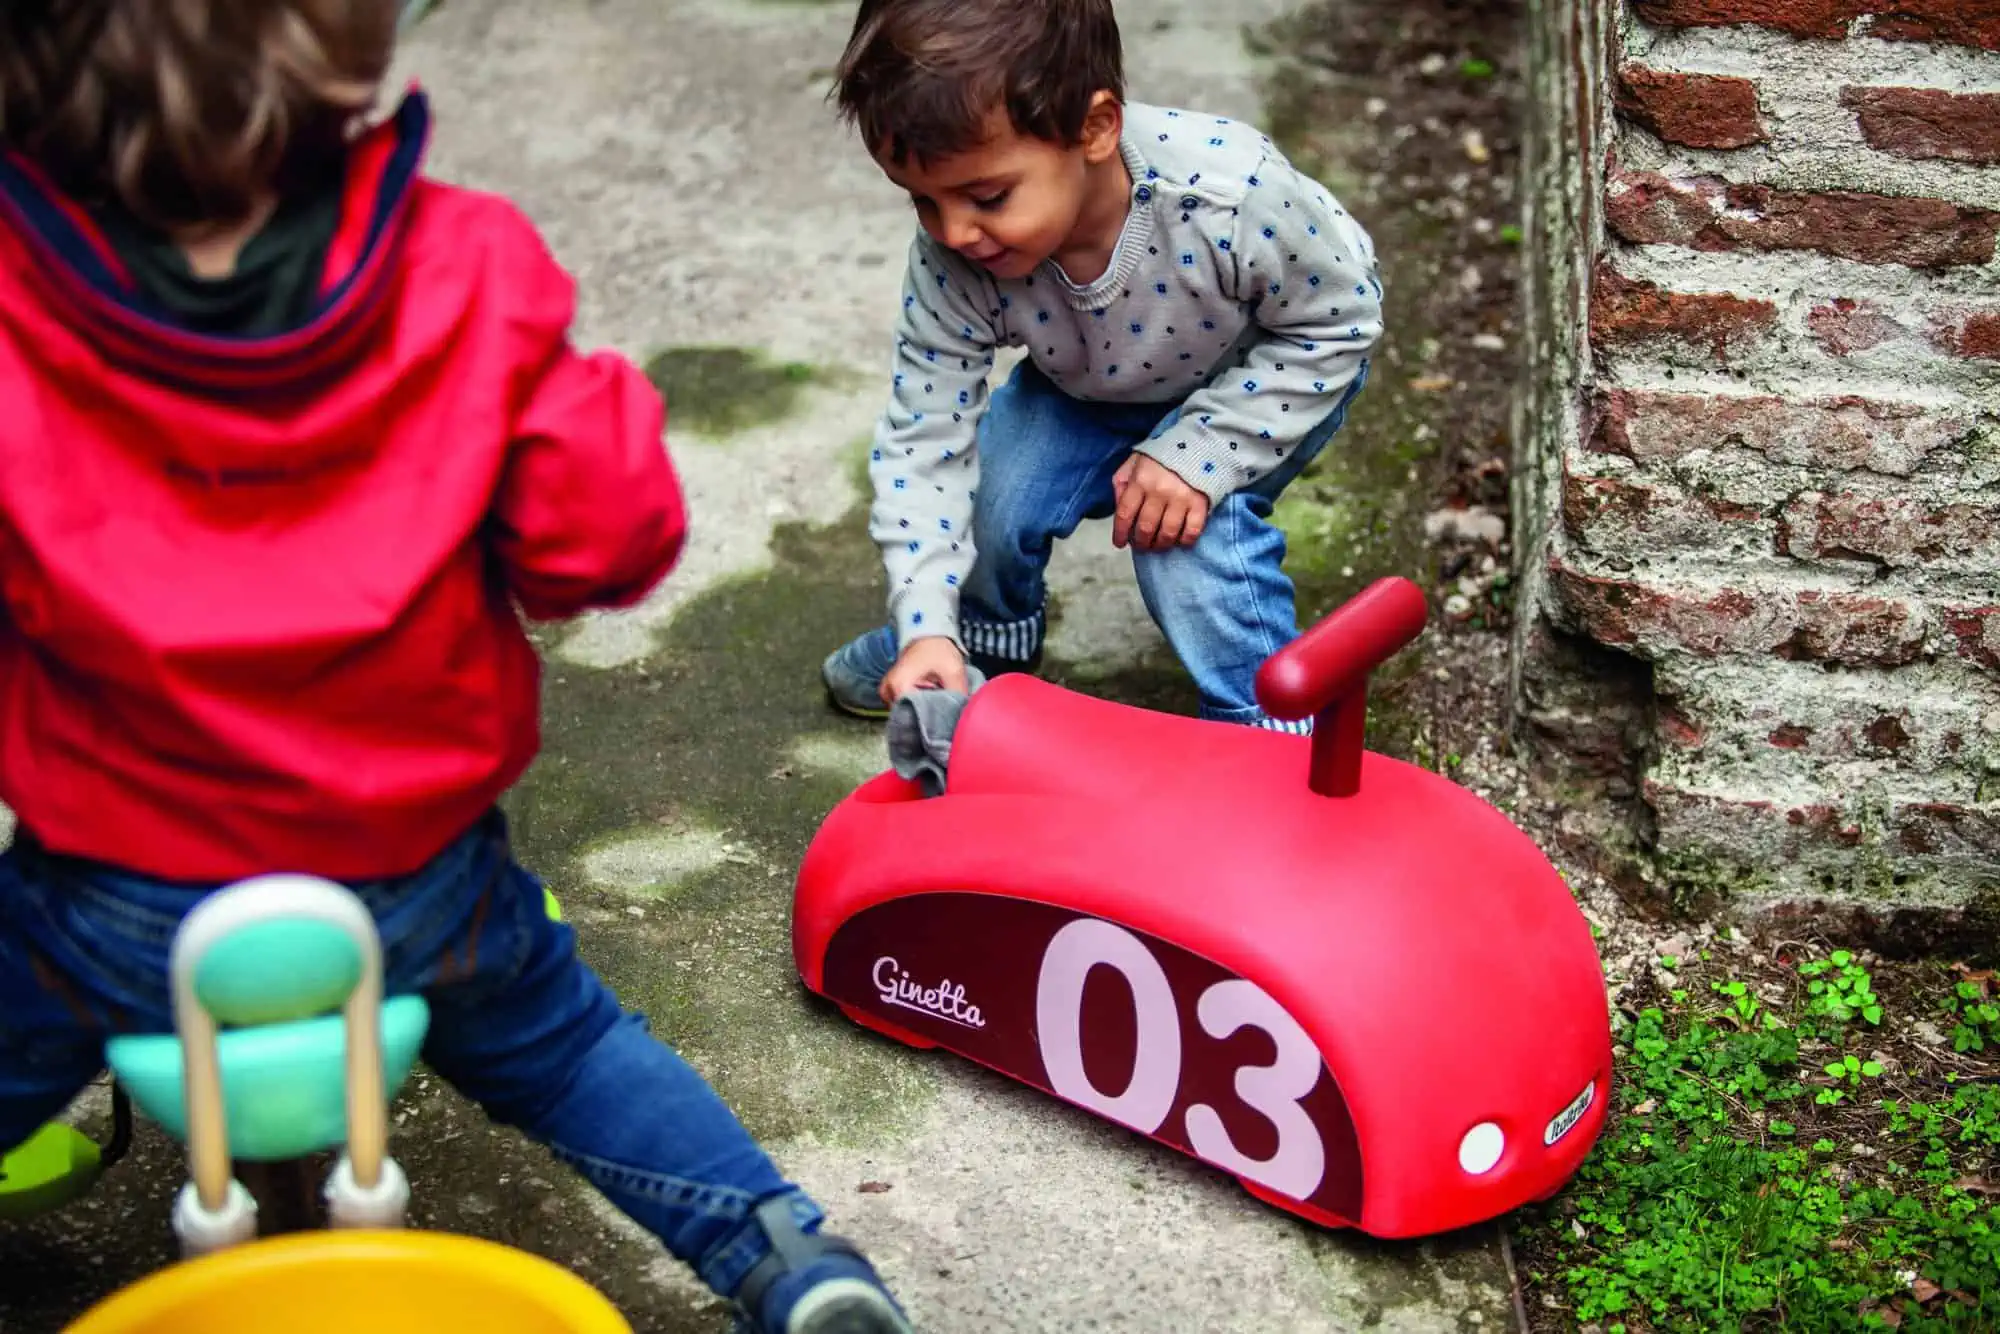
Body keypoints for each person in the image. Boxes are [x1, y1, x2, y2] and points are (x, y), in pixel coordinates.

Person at [0, 5, 909, 1332]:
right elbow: (606, 539)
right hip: (414, 879)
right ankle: (786, 1259)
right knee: (565, 1043)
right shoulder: (465, 266)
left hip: (113, 901)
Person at [820, 0, 1384, 731]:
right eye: (922, 201)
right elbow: (924, 439)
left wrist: (1201, 452)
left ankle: (1266, 729)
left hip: (1258, 378)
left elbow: (1340, 319)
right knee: (995, 493)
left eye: (987, 196)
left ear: (1094, 129)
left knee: (1185, 540)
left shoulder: (1231, 197)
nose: (954, 231)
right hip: (1089, 382)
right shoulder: (955, 257)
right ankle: (978, 642)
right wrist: (926, 622)